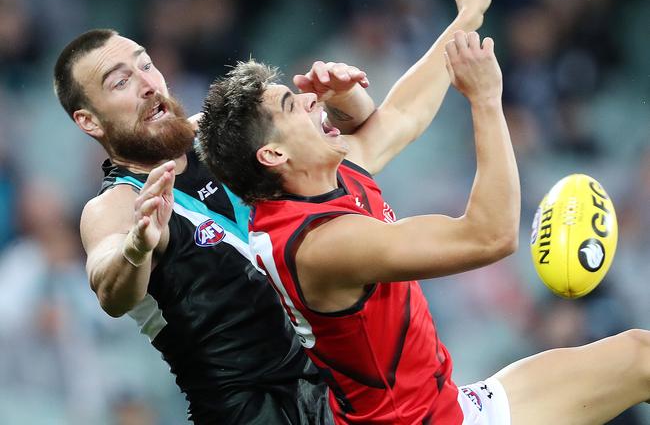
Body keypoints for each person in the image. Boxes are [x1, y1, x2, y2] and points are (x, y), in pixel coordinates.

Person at [198, 29, 650, 424]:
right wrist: (487, 99)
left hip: (446, 406)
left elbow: (403, 115)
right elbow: (490, 235)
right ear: (274, 155)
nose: (312, 97)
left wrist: (466, 18)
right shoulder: (322, 245)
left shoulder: (317, 177)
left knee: (639, 357)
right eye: (292, 105)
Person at [53, 29, 375, 424]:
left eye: (146, 65)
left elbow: (353, 131)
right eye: (121, 82)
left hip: (340, 381)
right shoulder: (116, 205)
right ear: (89, 120)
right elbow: (110, 291)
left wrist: (346, 94)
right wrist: (136, 248)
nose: (148, 85)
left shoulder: (220, 134)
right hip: (251, 411)